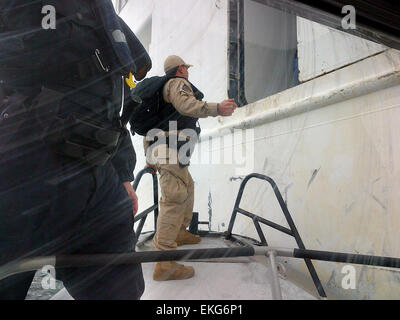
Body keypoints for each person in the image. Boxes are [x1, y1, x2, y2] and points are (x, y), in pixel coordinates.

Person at [0, 1, 151, 299]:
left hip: (98, 185)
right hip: (17, 179)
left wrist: (122, 175)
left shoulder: (100, 9)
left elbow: (113, 96)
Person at [142, 55, 237, 281]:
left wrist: (150, 158)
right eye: (186, 67)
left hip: (167, 148)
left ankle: (180, 232)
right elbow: (186, 106)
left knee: (188, 187)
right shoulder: (177, 83)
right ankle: (164, 263)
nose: (188, 71)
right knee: (175, 196)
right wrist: (218, 108)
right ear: (181, 68)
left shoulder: (163, 89)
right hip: (168, 149)